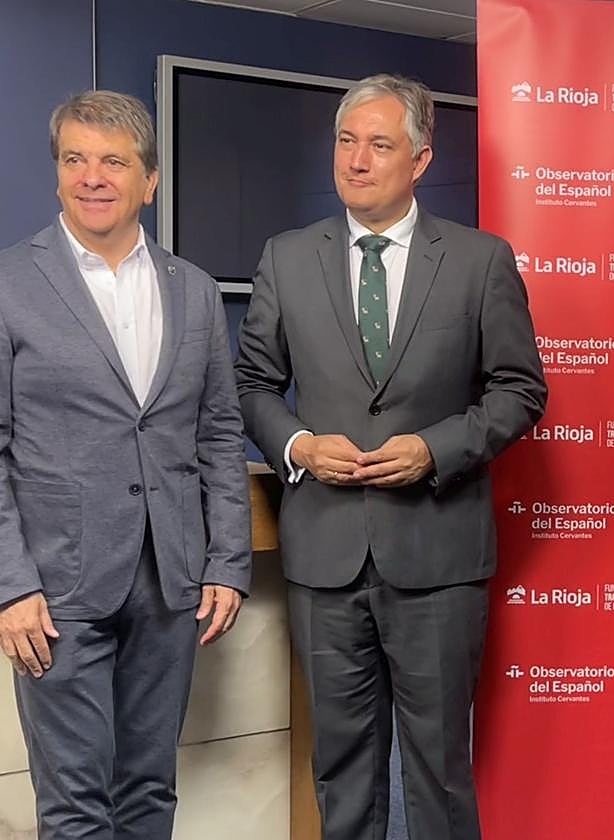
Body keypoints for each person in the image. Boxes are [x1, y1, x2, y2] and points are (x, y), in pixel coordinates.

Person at [235, 73, 546, 840]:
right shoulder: (286, 256)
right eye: (346, 141)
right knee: (341, 769)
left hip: (437, 555)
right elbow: (252, 384)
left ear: (421, 159)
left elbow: (520, 390)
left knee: (438, 770)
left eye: (379, 143)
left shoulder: (479, 261)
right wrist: (299, 444)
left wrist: (435, 450)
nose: (357, 159)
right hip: (325, 557)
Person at [0, 90, 251, 838]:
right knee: (76, 806)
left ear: (150, 180)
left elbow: (218, 433)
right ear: (57, 176)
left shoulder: (194, 291)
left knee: (148, 792)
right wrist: (10, 585)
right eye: (75, 159)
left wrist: (227, 562)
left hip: (171, 586)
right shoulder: (10, 284)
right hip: (56, 591)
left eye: (113, 161)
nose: (92, 177)